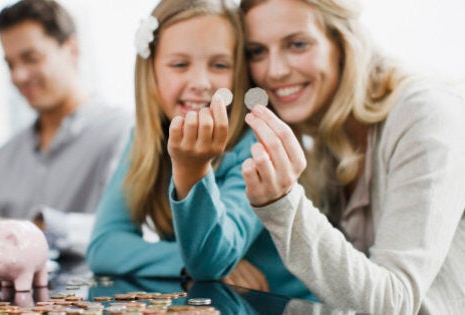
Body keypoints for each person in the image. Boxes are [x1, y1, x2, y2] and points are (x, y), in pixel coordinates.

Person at [239, 0, 465, 313]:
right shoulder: (330, 136)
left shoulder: (426, 115)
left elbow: (393, 303)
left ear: (343, 43)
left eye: (297, 44)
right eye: (257, 51)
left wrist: (281, 205)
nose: (274, 70)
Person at [86, 0, 313, 300]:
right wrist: (183, 262)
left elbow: (211, 262)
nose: (201, 83)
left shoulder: (256, 147)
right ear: (150, 72)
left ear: (239, 74)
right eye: (180, 64)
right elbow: (104, 246)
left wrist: (192, 170)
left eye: (219, 65)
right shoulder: (144, 140)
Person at [0, 0, 131, 257]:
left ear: (71, 50)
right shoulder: (7, 154)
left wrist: (16, 230)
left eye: (31, 59)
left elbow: (124, 235)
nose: (18, 76)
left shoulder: (123, 132)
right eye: (10, 64)